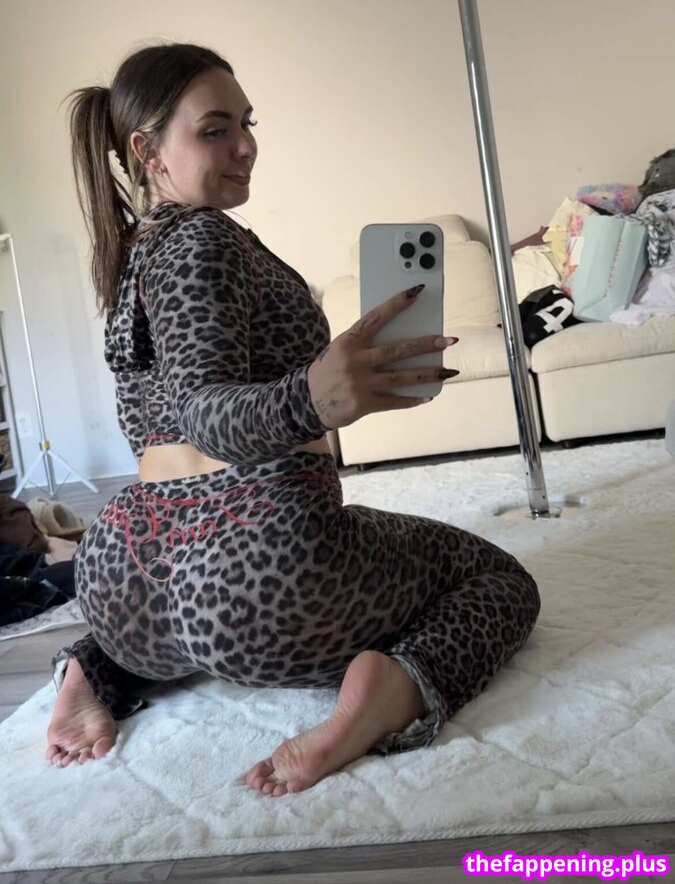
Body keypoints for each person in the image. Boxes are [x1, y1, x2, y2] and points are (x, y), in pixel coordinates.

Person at [45, 41, 541, 796]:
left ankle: (96, 666)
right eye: (215, 129)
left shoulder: (135, 255)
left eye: (246, 123)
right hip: (256, 578)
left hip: (124, 578)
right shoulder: (203, 239)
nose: (244, 145)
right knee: (498, 579)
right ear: (146, 151)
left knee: (339, 553)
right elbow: (203, 414)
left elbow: (162, 425)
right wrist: (311, 398)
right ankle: (388, 694)